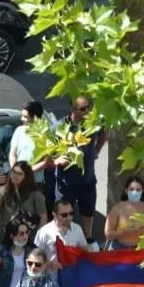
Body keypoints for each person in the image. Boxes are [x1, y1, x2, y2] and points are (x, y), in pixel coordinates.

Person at [52, 95, 107, 238]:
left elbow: (103, 133)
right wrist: (56, 159)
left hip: (87, 180)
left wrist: (97, 150)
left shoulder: (93, 124)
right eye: (83, 109)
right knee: (64, 213)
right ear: (72, 109)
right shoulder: (60, 127)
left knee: (88, 212)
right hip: (66, 182)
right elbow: (46, 149)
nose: (87, 111)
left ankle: (87, 237)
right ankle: (65, 239)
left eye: (88, 107)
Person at [0, 161, 46, 241]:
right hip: (6, 237)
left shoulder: (36, 194)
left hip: (27, 238)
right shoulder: (4, 190)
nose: (15, 175)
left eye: (19, 174)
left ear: (26, 177)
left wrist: (39, 238)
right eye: (14, 172)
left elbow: (43, 218)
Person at [8, 101, 52, 185]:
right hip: (17, 180)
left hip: (36, 182)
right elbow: (12, 154)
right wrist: (16, 171)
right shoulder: (19, 131)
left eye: (25, 117)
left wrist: (26, 173)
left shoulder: (45, 134)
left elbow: (47, 161)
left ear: (35, 117)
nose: (22, 119)